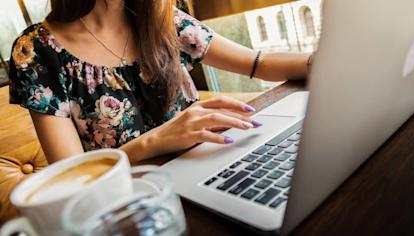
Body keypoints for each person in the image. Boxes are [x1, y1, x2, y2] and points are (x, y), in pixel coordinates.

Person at [9, 0, 311, 164]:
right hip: (128, 203)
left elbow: (259, 63)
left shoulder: (164, 19)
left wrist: (328, 59)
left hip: (207, 166)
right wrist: (154, 141)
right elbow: (71, 175)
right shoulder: (37, 51)